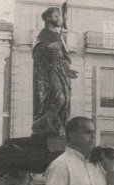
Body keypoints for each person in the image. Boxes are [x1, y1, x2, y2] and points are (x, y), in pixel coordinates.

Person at [32, 7, 78, 136]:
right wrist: (47, 46)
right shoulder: (43, 33)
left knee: (65, 101)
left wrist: (68, 70)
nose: (60, 19)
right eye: (56, 16)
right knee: (59, 99)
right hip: (49, 73)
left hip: (61, 72)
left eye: (60, 16)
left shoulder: (58, 35)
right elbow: (36, 52)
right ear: (48, 18)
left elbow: (63, 56)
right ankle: (43, 123)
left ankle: (55, 124)